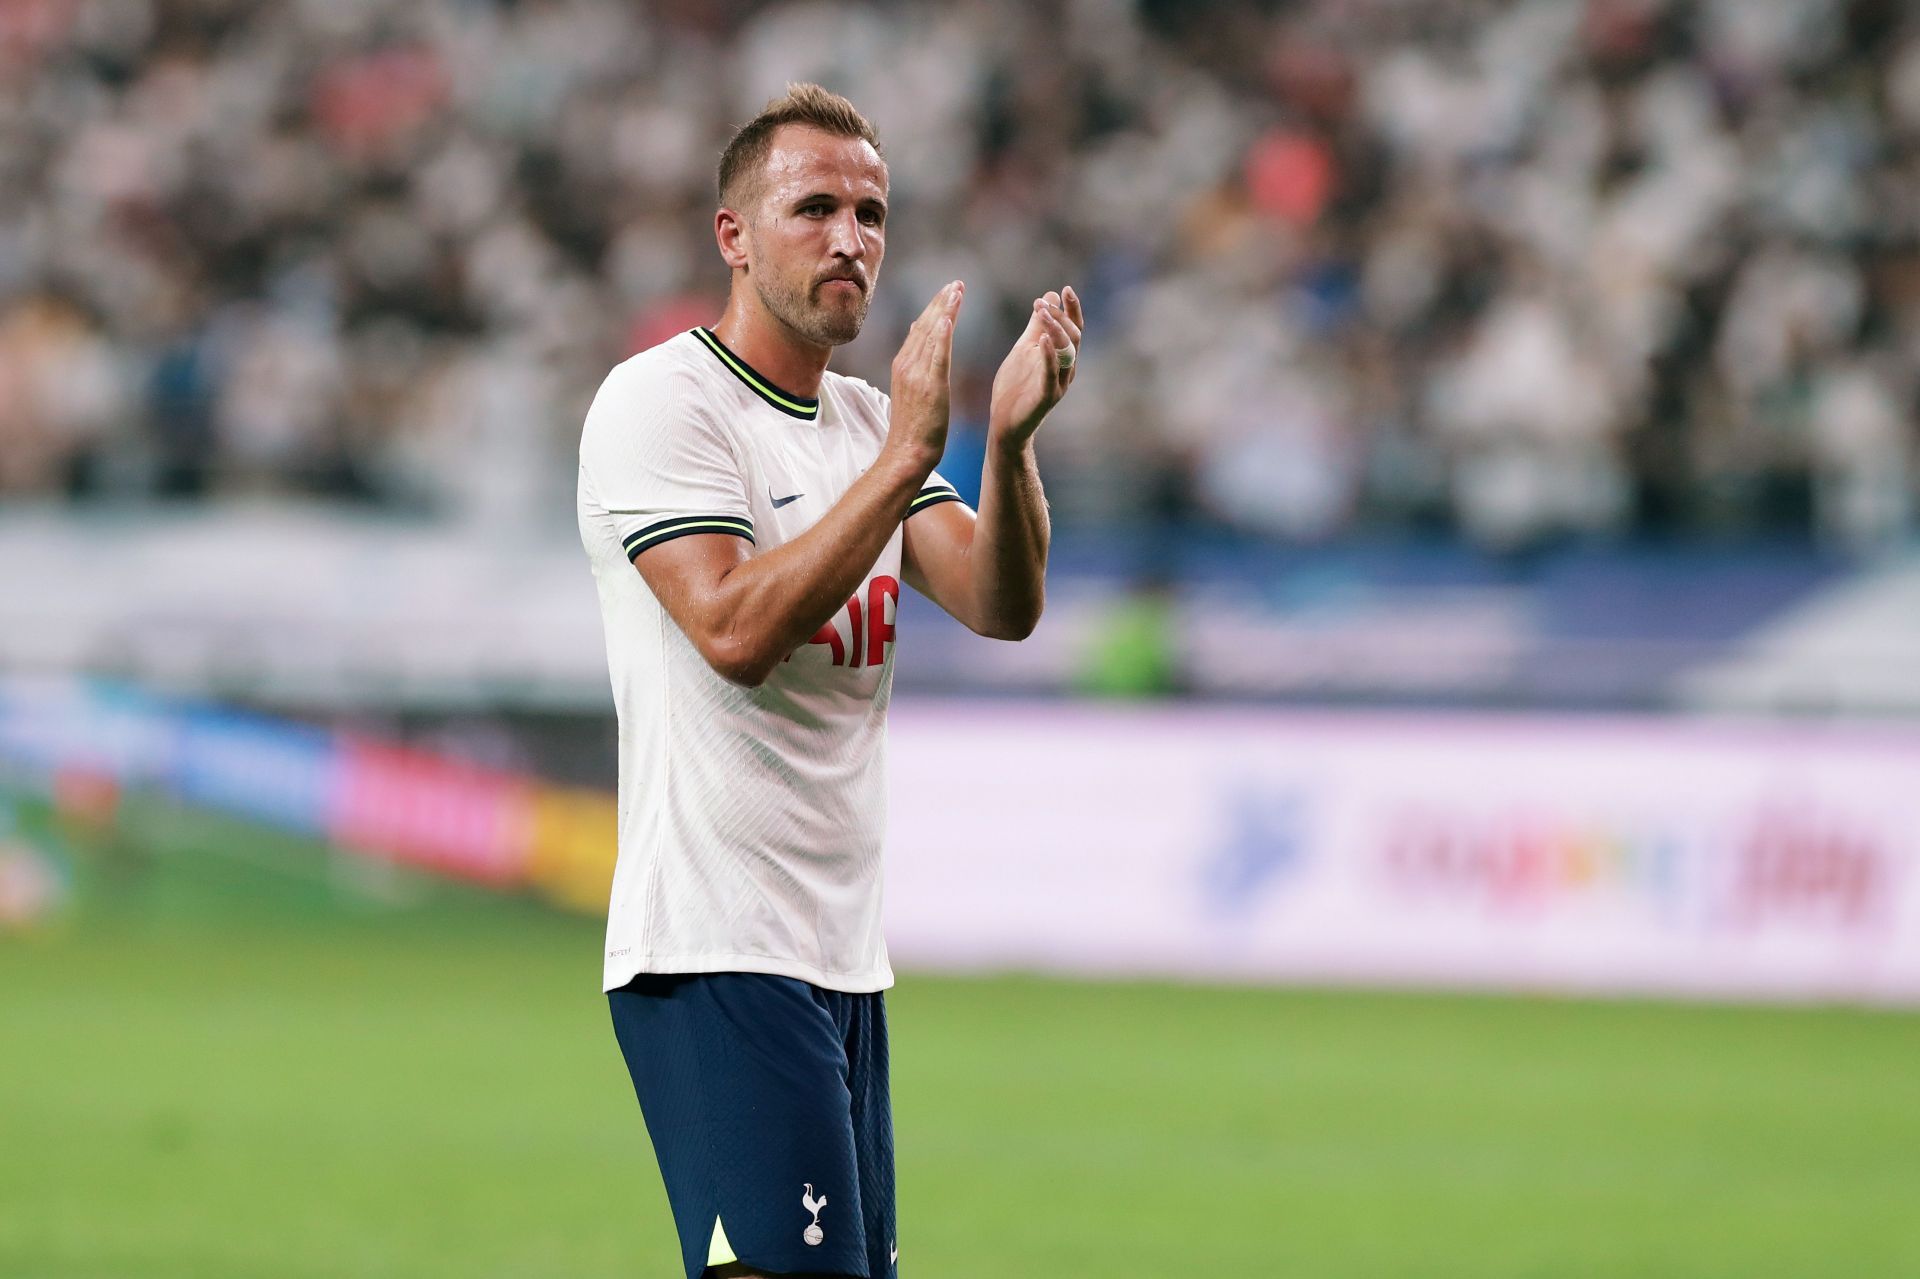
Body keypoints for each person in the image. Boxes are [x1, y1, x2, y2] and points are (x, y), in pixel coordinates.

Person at [576, 83, 1082, 1279]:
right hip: (710, 946)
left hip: (840, 959)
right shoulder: (663, 402)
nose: (850, 236)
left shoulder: (862, 420)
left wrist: (1004, 448)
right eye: (814, 208)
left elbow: (1001, 604)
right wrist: (911, 452)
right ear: (734, 236)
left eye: (871, 211)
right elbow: (732, 629)